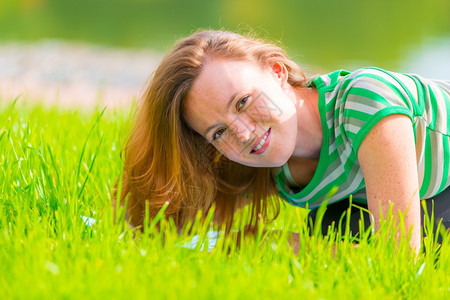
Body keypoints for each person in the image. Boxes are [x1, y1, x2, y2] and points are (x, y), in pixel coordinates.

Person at [116, 30, 450, 253]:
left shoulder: (365, 102)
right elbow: (162, 227)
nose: (244, 134)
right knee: (335, 225)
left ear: (277, 72)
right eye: (218, 132)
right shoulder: (264, 161)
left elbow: (398, 259)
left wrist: (276, 245)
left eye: (244, 102)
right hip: (430, 198)